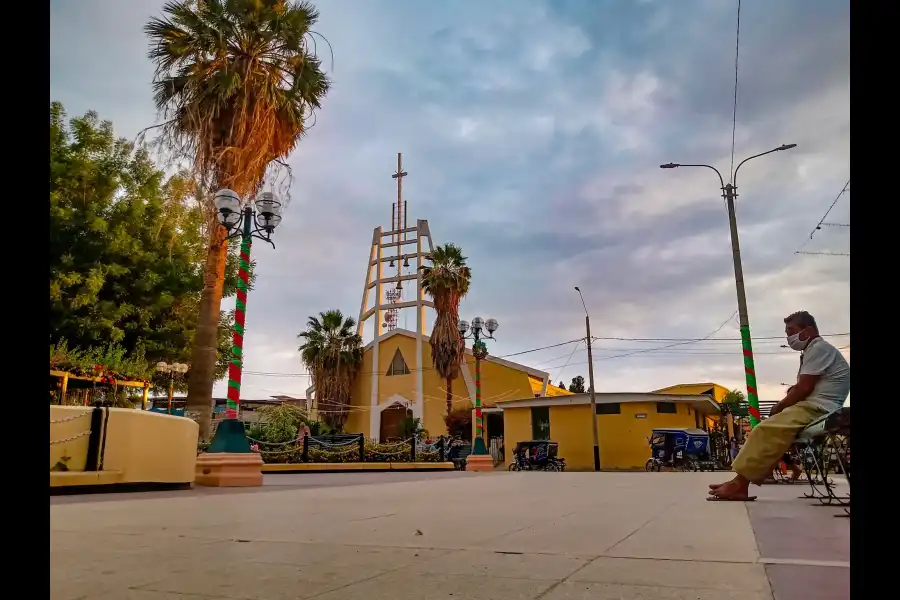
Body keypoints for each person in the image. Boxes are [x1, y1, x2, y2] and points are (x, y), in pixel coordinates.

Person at [708, 311, 850, 501]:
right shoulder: (814, 350)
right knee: (767, 430)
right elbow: (806, 385)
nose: (789, 337)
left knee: (765, 429)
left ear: (807, 331)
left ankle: (739, 485)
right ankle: (738, 482)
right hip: (817, 406)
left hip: (819, 408)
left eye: (791, 331)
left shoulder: (818, 348)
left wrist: (780, 406)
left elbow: (804, 388)